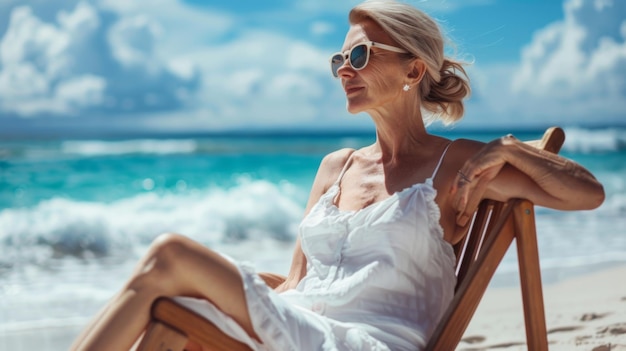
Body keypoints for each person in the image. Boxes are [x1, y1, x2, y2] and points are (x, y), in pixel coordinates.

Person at [70, 1, 605, 350]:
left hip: (368, 341)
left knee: (170, 255)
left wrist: (512, 149)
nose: (343, 68)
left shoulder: (458, 165)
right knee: (176, 299)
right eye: (338, 59)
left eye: (359, 54)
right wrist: (229, 281)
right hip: (302, 325)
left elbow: (587, 194)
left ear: (413, 71)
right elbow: (298, 283)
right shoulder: (336, 167)